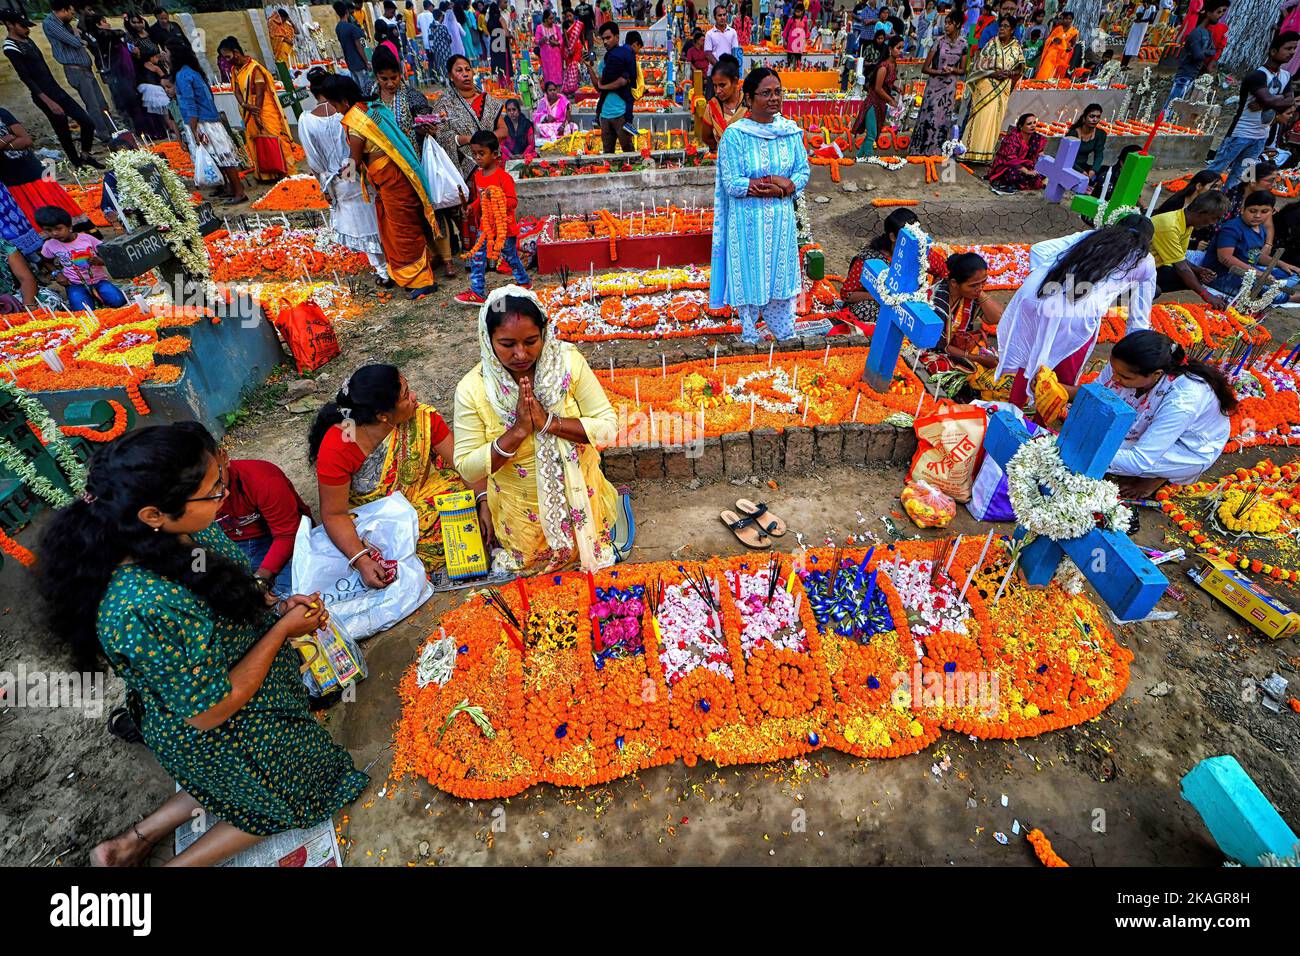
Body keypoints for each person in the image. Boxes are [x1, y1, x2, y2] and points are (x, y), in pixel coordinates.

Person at [36, 425, 367, 868]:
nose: (225, 497)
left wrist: (271, 603)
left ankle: (131, 842)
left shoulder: (185, 530)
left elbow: (222, 581)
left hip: (239, 686)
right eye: (213, 491)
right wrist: (278, 632)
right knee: (302, 790)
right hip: (211, 724)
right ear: (154, 514)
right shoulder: (139, 608)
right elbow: (210, 710)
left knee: (239, 781)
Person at [453, 288, 621, 573]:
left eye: (531, 341)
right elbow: (467, 467)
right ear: (488, 339)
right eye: (507, 344)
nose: (521, 354)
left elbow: (608, 429)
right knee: (531, 570)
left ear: (544, 333)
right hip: (520, 516)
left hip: (583, 501)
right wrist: (517, 432)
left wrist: (549, 423)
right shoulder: (473, 389)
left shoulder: (567, 363)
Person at [310, 363, 475, 577]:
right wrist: (361, 560)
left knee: (470, 498)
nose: (415, 397)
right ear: (383, 416)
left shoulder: (422, 419)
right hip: (377, 523)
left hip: (420, 500)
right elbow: (333, 514)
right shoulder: (339, 444)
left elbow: (464, 465)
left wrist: (482, 500)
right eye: (406, 396)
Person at [995, 216, 1157, 410]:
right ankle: (1041, 422)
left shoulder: (1091, 236)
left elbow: (1039, 249)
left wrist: (1048, 278)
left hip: (1036, 295)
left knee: (1030, 356)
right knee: (1063, 374)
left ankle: (1013, 411)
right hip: (1077, 313)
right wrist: (1135, 355)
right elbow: (1138, 317)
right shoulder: (1145, 260)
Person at [710, 68, 810, 344]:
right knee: (751, 277)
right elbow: (731, 183)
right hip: (747, 222)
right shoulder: (736, 136)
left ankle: (784, 334)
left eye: (777, 92)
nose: (774, 98)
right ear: (749, 99)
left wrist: (787, 186)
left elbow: (802, 171)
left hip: (781, 220)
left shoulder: (790, 132)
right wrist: (770, 180)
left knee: (781, 278)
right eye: (766, 93)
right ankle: (750, 335)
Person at [329, 76, 442, 299]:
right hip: (396, 175)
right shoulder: (372, 107)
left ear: (342, 101)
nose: (335, 111)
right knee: (402, 227)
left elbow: (353, 160)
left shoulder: (355, 119)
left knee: (404, 231)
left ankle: (422, 280)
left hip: (392, 181)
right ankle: (415, 273)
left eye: (334, 105)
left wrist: (338, 177)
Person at [1095, 330, 1235, 494]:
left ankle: (1160, 475)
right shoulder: (1124, 365)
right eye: (1114, 371)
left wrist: (1086, 453)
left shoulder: (1183, 401)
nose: (1114, 379)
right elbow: (1096, 395)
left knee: (1098, 448)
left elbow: (1139, 460)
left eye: (1124, 377)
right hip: (1157, 431)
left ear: (1156, 374)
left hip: (1189, 450)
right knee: (1095, 439)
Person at [299, 70, 391, 288]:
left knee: (361, 224)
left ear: (313, 91)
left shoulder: (307, 120)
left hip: (339, 180)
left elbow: (314, 161)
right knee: (377, 218)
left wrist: (324, 187)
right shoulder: (349, 109)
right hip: (364, 174)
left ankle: (383, 270)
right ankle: (392, 264)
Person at [211, 443, 312, 598]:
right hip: (229, 545)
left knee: (297, 594)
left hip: (275, 539)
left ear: (224, 457)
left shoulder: (263, 480)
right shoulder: (188, 503)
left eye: (214, 477)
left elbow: (287, 534)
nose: (215, 492)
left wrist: (259, 581)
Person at [3, 10, 100, 169]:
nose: (27, 30)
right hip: (42, 95)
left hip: (55, 88)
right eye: (22, 26)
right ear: (9, 25)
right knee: (63, 131)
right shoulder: (10, 47)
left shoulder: (27, 39)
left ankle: (85, 154)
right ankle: (77, 163)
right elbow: (26, 77)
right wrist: (48, 101)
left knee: (87, 122)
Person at [1208, 32, 1298, 191]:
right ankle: (1198, 198)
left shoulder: (1286, 76)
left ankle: (1229, 201)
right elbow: (1277, 100)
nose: (1291, 52)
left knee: (1242, 173)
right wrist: (1274, 100)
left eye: (1294, 48)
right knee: (1217, 169)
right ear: (1273, 51)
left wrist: (1266, 102)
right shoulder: (1258, 75)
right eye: (1287, 48)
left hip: (1261, 136)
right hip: (1240, 133)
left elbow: (1289, 102)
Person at [456, 130, 531, 304]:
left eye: (481, 154)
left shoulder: (503, 177)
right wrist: (470, 208)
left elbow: (512, 202)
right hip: (487, 228)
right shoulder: (478, 176)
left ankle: (524, 282)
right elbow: (479, 200)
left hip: (504, 228)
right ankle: (477, 291)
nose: (477, 158)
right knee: (478, 256)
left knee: (511, 256)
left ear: (495, 154)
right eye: (474, 154)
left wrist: (496, 198)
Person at [840, 207, 948, 326]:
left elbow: (943, 272)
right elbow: (847, 295)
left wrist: (930, 295)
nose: (914, 241)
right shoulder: (869, 259)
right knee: (870, 313)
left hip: (912, 305)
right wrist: (883, 295)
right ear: (893, 237)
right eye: (907, 237)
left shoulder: (920, 253)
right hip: (878, 305)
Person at [170, 39, 247, 204]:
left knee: (222, 156)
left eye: (167, 53)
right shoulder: (194, 72)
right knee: (218, 156)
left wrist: (193, 129)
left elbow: (190, 103)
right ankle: (230, 188)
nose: (165, 56)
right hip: (208, 119)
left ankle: (239, 191)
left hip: (202, 122)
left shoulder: (183, 75)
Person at [220, 37, 298, 183]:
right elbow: (236, 90)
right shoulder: (235, 70)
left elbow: (260, 93)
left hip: (264, 109)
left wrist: (256, 112)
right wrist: (245, 105)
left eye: (227, 57)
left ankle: (287, 173)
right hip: (248, 110)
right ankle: (266, 174)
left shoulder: (254, 69)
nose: (226, 60)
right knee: (255, 142)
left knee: (275, 139)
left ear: (236, 53)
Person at [1207, 190, 1300, 304]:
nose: (1257, 215)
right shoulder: (1231, 228)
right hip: (1223, 276)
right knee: (1268, 290)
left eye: (1264, 211)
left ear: (1272, 212)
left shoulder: (1260, 228)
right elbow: (1225, 258)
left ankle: (1276, 287)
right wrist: (1259, 274)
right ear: (1243, 210)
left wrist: (1282, 264)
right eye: (1252, 211)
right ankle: (1289, 297)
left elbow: (1256, 255)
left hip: (1250, 272)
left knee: (1293, 273)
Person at [0, 108, 88, 228]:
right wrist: (5, 139)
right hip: (8, 182)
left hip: (31, 170)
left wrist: (3, 144)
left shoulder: (2, 113)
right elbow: (17, 139)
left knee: (54, 208)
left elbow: (26, 140)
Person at [920, 251, 1004, 374]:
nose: (980, 288)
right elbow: (939, 345)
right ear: (954, 283)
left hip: (959, 345)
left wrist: (978, 291)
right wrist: (977, 358)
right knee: (941, 367)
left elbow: (998, 317)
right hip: (932, 347)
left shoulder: (970, 295)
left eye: (983, 282)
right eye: (973, 285)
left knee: (994, 362)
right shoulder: (937, 301)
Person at [43, 0, 114, 144]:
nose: (73, 16)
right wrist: (77, 35)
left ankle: (113, 131)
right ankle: (104, 135)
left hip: (85, 69)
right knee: (93, 104)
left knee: (101, 103)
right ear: (63, 10)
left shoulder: (64, 23)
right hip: (76, 70)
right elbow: (76, 42)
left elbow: (83, 41)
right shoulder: (51, 23)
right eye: (71, 12)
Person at [433, 54, 508, 181]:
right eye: (459, 70)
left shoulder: (488, 101)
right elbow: (440, 136)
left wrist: (484, 142)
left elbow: (503, 130)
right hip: (463, 171)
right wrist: (463, 139)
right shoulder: (443, 104)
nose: (465, 74)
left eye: (467, 69)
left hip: (492, 165)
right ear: (451, 76)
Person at [37, 205, 126, 310]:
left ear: (69, 226)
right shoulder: (49, 245)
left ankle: (97, 296)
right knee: (82, 311)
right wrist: (57, 274)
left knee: (119, 301)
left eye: (58, 229)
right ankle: (87, 298)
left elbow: (108, 256)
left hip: (98, 281)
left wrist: (100, 261)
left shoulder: (87, 239)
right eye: (48, 230)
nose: (54, 233)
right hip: (74, 283)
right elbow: (46, 261)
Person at [961, 17, 1025, 164]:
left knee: (994, 120)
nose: (1002, 29)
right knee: (981, 117)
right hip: (986, 85)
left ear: (1012, 30)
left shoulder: (1016, 49)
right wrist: (992, 73)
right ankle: (969, 152)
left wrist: (1009, 74)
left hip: (1003, 87)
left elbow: (1020, 69)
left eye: (1006, 26)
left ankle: (985, 155)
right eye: (1001, 26)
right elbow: (978, 66)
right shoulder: (991, 45)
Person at [1151, 189, 1231, 306]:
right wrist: (1207, 295)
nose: (1214, 223)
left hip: (1153, 267)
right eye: (1215, 218)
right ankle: (1128, 298)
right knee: (1155, 290)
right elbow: (1181, 267)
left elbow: (1180, 258)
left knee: (1195, 278)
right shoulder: (1170, 225)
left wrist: (1198, 270)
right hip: (1134, 270)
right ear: (1201, 212)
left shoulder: (1187, 223)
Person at [909, 11, 966, 156]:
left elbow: (963, 70)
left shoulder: (963, 44)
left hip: (949, 87)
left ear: (957, 25)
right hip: (935, 86)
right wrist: (940, 72)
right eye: (945, 23)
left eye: (949, 23)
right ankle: (920, 152)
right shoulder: (939, 41)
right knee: (930, 117)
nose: (946, 26)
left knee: (943, 119)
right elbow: (925, 67)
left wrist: (952, 69)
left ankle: (936, 151)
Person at [1165, 1, 1226, 108]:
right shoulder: (1196, 33)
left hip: (1192, 75)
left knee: (1177, 107)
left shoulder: (1207, 33)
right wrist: (1207, 53)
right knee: (1171, 106)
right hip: (1184, 76)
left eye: (1222, 12)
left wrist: (1206, 53)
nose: (1220, 15)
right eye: (1218, 12)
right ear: (1208, 13)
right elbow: (1198, 55)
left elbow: (1213, 51)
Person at [853, 33, 903, 158]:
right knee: (871, 134)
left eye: (902, 48)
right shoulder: (884, 67)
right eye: (898, 48)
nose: (901, 51)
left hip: (881, 103)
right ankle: (869, 161)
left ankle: (859, 158)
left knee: (873, 134)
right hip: (873, 103)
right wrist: (891, 100)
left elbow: (887, 83)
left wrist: (896, 88)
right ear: (890, 49)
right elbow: (878, 88)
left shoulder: (893, 65)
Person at [593, 22, 638, 154]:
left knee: (629, 152)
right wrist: (589, 67)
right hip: (605, 116)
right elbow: (598, 87)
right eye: (603, 39)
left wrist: (603, 86)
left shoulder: (625, 56)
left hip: (621, 115)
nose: (605, 42)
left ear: (617, 37)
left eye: (608, 38)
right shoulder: (604, 62)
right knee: (607, 153)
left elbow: (623, 81)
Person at [373, 45, 425, 146]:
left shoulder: (412, 97)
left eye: (393, 78)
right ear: (376, 77)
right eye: (384, 79)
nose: (390, 84)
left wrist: (425, 130)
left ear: (400, 74)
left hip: (409, 155)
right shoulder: (369, 95)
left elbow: (423, 120)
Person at [988, 112, 1046, 194]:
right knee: (1013, 174)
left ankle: (1019, 183)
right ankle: (1007, 183)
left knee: (1039, 173)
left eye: (1034, 123)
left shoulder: (1036, 137)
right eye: (1029, 124)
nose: (1033, 126)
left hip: (1024, 165)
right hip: (1007, 165)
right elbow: (1011, 160)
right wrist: (1027, 171)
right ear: (1021, 126)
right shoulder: (1013, 138)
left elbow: (1040, 153)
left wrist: (1043, 164)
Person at [698, 54, 747, 150]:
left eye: (722, 85)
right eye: (715, 86)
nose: (718, 91)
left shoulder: (749, 104)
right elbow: (706, 137)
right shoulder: (712, 107)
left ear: (735, 82)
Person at [1063, 102, 1108, 188]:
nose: (1095, 120)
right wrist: (1081, 171)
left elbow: (1099, 155)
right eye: (1092, 116)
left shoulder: (1100, 134)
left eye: (1098, 117)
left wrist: (1093, 170)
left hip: (1084, 167)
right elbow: (1067, 157)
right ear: (1084, 118)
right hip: (1070, 166)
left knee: (1105, 172)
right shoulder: (1073, 134)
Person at [335, 1, 373, 94]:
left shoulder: (338, 27)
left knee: (358, 87)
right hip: (359, 62)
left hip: (350, 63)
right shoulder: (351, 27)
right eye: (351, 13)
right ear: (347, 12)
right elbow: (360, 46)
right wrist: (367, 61)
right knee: (366, 88)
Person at [1153, 169, 1222, 216]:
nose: (1218, 190)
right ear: (1199, 186)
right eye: (1214, 186)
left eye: (1219, 187)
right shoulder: (1176, 203)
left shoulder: (1207, 204)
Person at [0, 237, 41, 311]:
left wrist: (28, 304)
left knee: (49, 300)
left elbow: (26, 278)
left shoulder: (2, 245)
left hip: (12, 298)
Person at [1033, 10, 1075, 80]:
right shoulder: (1058, 29)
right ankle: (1041, 82)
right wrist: (1053, 39)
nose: (1067, 20)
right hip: (1052, 53)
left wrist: (1069, 48)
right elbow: (1048, 39)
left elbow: (1073, 44)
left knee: (1056, 74)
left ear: (1072, 20)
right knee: (1046, 70)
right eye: (1066, 18)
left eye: (1069, 19)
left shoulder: (1074, 31)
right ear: (1063, 19)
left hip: (1063, 55)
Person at [1121, 0, 1155, 68]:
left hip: (1143, 28)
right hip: (1136, 27)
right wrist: (1144, 9)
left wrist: (1141, 20)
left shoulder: (1153, 7)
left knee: (1135, 45)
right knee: (1130, 44)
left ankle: (1126, 64)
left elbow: (1151, 19)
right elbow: (1139, 16)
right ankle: (1122, 64)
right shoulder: (1140, 7)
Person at [536, 8, 564, 86]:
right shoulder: (539, 28)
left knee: (557, 71)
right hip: (546, 55)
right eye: (550, 18)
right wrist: (542, 40)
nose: (552, 20)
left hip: (556, 55)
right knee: (548, 72)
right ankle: (549, 88)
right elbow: (537, 41)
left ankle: (558, 89)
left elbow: (561, 40)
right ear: (545, 19)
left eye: (553, 18)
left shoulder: (556, 27)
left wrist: (556, 43)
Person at [561, 8, 586, 95]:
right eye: (567, 16)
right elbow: (566, 38)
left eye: (570, 15)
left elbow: (582, 36)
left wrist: (585, 48)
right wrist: (569, 49)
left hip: (578, 48)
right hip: (568, 50)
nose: (568, 18)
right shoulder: (565, 24)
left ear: (573, 15)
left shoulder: (579, 24)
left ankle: (574, 87)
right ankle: (569, 88)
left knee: (575, 66)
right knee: (569, 69)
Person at [487, 3, 513, 77]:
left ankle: (497, 83)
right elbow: (507, 34)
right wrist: (512, 36)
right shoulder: (501, 19)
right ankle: (506, 83)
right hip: (502, 43)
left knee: (496, 64)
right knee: (504, 64)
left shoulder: (489, 21)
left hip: (493, 45)